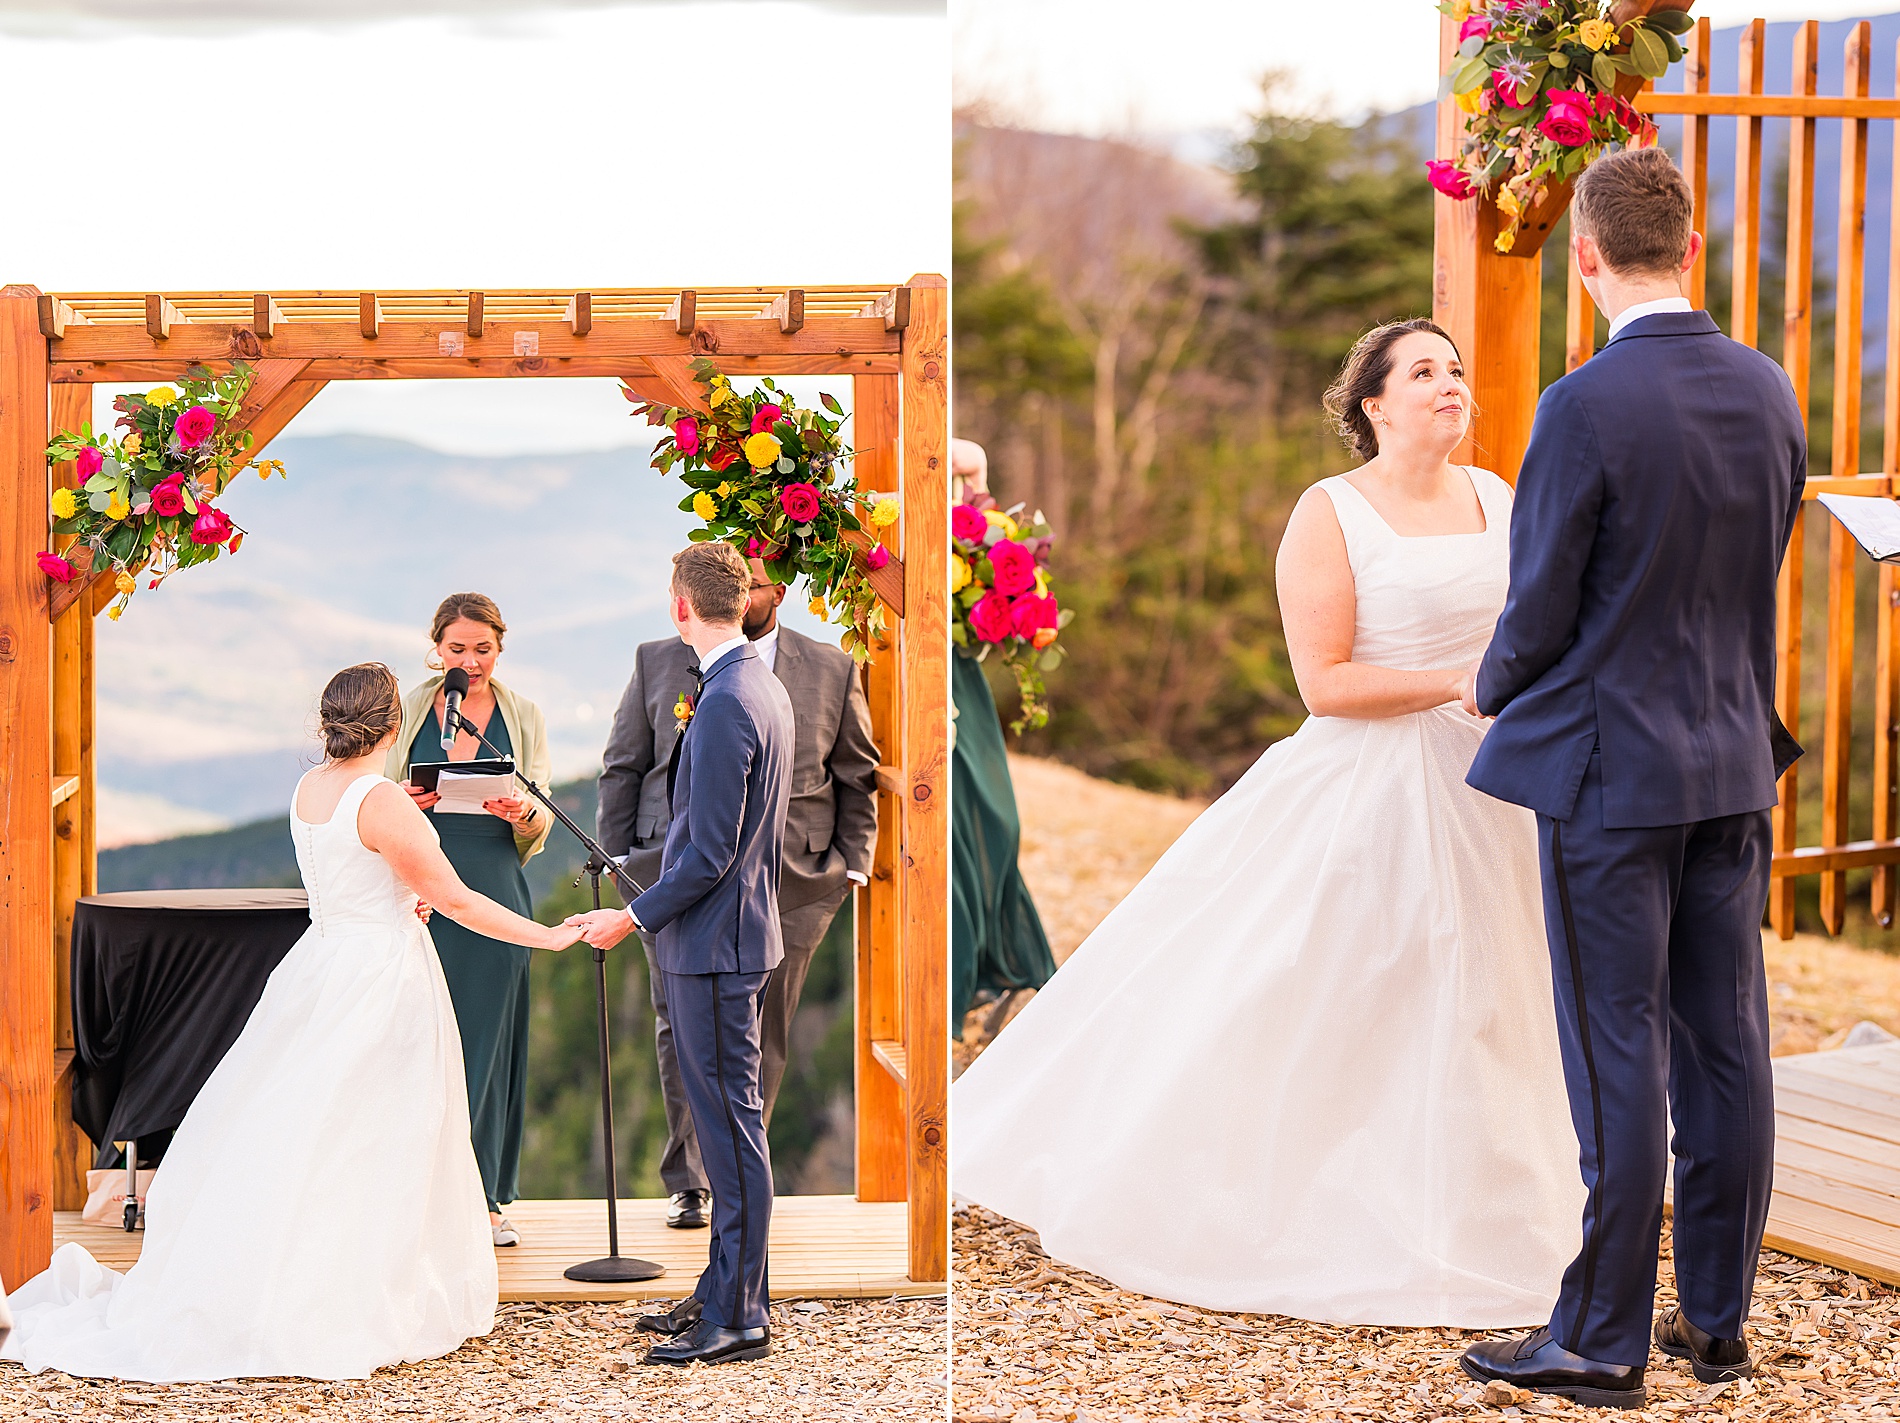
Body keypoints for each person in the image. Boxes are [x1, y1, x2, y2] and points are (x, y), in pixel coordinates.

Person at [950, 319, 1583, 1327]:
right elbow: (1323, 682)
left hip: (1497, 785)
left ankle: (1501, 1192)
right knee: (1354, 981)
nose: (1449, 384)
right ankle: (1319, 1186)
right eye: (1424, 372)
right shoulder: (1329, 513)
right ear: (1374, 404)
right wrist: (1454, 682)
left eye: (1456, 368)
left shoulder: (1499, 498)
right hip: (1375, 784)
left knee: (1499, 990)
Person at [1457, 147, 1806, 1411]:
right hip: (1731, 759)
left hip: (1611, 771)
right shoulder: (1769, 389)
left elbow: (1542, 601)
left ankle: (1602, 1338)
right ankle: (1713, 1320)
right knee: (1728, 1045)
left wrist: (1490, 681)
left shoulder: (1584, 402)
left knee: (1618, 1050)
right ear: (1692, 249)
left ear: (1586, 258)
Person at [1, 663, 579, 1382]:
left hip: (323, 965)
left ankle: (304, 1275)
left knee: (316, 1129)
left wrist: (402, 895)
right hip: (380, 978)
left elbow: (358, 877)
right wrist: (551, 935)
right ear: (395, 725)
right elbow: (457, 899)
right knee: (381, 1131)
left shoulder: (313, 789)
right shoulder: (387, 803)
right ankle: (356, 1291)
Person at [597, 558, 878, 1229]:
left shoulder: (811, 671)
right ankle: (694, 1181)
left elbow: (855, 772)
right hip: (673, 875)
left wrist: (848, 863)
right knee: (682, 1030)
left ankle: (737, 1196)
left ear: (779, 590)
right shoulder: (666, 662)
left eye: (758, 580)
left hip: (791, 882)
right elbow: (625, 764)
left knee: (762, 1036)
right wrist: (618, 864)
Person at [568, 542, 795, 1368]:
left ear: (680, 606)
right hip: (727, 934)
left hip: (714, 944)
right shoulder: (751, 683)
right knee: (724, 1121)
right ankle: (724, 1289)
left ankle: (738, 1315)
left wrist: (630, 917)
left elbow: (706, 853)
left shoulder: (731, 697)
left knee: (730, 1129)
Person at [385, 594, 554, 1250]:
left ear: (500, 648)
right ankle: (413, 1194)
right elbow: (375, 792)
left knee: (483, 1048)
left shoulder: (525, 715)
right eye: (458, 649)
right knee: (419, 1044)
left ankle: (483, 1200)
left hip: (494, 886)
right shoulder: (408, 710)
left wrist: (522, 813)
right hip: (420, 888)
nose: (471, 660)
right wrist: (404, 798)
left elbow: (541, 816)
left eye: (482, 648)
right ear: (437, 649)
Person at [948, 437, 1057, 1036]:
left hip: (962, 670)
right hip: (918, 666)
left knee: (996, 818)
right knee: (957, 823)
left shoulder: (964, 480)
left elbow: (973, 467)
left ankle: (1011, 962)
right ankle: (966, 975)